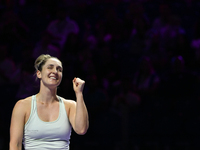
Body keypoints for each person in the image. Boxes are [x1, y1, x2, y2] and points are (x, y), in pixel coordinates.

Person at [9, 54, 89, 150]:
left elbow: (81, 130)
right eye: (50, 68)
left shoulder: (70, 105)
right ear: (39, 73)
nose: (55, 71)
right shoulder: (22, 106)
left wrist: (79, 93)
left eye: (59, 69)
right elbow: (15, 145)